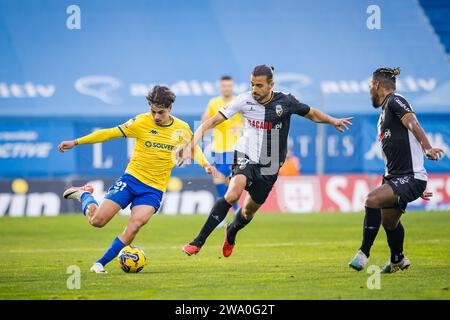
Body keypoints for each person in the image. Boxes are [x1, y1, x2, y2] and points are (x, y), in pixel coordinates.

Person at [180, 64, 353, 257]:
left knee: (247, 212)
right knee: (233, 193)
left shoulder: (286, 101)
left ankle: (232, 231)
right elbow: (211, 122)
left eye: (259, 85)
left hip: (270, 164)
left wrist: (332, 120)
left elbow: (311, 113)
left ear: (271, 85)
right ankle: (198, 241)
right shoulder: (243, 100)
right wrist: (191, 146)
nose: (255, 89)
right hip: (245, 153)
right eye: (252, 84)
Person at [58, 85, 216, 273]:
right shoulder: (140, 122)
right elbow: (109, 133)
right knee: (97, 221)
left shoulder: (181, 128)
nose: (156, 116)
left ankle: (100, 263)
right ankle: (85, 195)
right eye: (153, 111)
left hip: (154, 189)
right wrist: (76, 142)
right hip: (131, 179)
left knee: (135, 225)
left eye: (161, 112)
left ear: (170, 109)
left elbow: (193, 147)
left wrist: (205, 164)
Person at [348, 67, 444, 273]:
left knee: (371, 200)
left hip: (409, 177)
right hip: (400, 178)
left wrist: (427, 148)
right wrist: (410, 187)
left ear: (376, 85)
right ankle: (397, 259)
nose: (369, 92)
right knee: (389, 221)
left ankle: (363, 253)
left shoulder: (395, 100)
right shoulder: (384, 113)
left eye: (369, 87)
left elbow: (412, 123)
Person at [202, 76, 242, 221]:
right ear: (220, 87)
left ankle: (222, 215)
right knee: (226, 183)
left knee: (218, 180)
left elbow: (249, 121)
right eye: (224, 86)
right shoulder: (214, 103)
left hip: (233, 148)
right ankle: (236, 211)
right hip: (217, 148)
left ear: (233, 86)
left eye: (229, 86)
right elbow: (205, 120)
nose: (227, 88)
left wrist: (241, 128)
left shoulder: (239, 101)